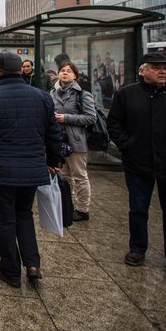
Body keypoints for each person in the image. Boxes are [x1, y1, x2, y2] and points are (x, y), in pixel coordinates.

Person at [0, 52, 63, 287]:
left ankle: (10, 270)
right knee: (24, 214)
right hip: (32, 169)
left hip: (0, 170)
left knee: (4, 219)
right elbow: (53, 134)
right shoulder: (42, 98)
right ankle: (32, 265)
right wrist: (54, 161)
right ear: (20, 70)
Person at [106, 52, 166, 282]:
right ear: (143, 70)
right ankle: (138, 249)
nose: (163, 71)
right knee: (138, 209)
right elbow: (114, 123)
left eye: (165, 68)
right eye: (157, 67)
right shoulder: (126, 95)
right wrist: (127, 146)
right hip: (138, 164)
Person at [50, 61, 96, 221]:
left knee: (80, 175)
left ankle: (83, 209)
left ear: (75, 75)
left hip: (75, 140)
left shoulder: (83, 94)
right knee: (64, 175)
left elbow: (91, 118)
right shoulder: (53, 93)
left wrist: (66, 118)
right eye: (62, 70)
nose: (65, 73)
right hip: (59, 140)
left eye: (69, 71)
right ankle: (67, 206)